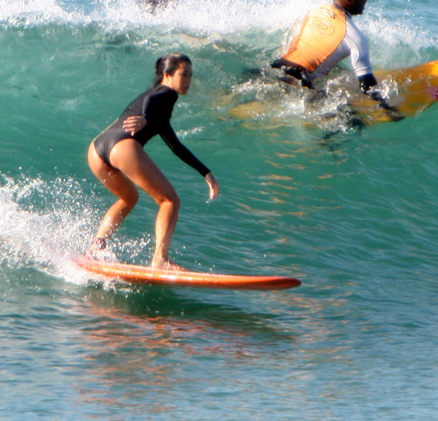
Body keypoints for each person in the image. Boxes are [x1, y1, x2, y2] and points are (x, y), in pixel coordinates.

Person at [87, 53, 219, 270]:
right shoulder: (166, 94)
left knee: (128, 198)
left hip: (97, 149)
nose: (188, 80)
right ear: (166, 75)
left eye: (191, 75)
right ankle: (160, 259)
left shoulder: (160, 109)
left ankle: (96, 248)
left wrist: (206, 173)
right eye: (184, 74)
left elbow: (176, 146)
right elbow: (154, 99)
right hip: (122, 145)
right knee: (170, 200)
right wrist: (146, 118)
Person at [271, 0, 398, 115]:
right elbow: (367, 85)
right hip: (298, 82)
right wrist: (385, 107)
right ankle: (324, 141)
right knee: (352, 118)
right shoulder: (356, 38)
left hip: (276, 67)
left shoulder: (316, 9)